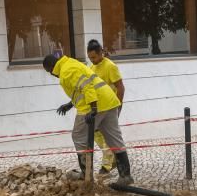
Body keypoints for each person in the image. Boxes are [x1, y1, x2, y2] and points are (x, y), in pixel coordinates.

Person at [43, 52, 134, 185]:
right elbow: (80, 90)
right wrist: (70, 105)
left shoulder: (66, 71)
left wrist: (93, 108)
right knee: (114, 138)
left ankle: (86, 175)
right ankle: (125, 176)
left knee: (79, 136)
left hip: (94, 105)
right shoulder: (71, 63)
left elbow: (87, 86)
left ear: (52, 67)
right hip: (108, 101)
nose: (51, 74)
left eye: (49, 71)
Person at [86, 39, 126, 175]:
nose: (92, 60)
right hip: (98, 108)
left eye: (94, 57)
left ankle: (108, 165)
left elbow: (120, 87)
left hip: (110, 108)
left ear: (101, 53)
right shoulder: (91, 68)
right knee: (96, 133)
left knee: (110, 135)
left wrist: (118, 107)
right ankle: (111, 159)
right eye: (89, 58)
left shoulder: (110, 66)